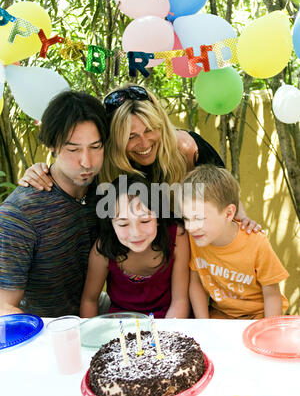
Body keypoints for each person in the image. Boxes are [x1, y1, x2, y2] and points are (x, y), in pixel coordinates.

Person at [18, 84, 261, 234]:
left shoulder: (186, 148)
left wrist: (242, 218)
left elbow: (225, 194)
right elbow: (70, 171)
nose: (144, 144)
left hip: (194, 262)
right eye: (131, 137)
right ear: (115, 139)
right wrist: (39, 170)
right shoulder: (103, 167)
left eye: (149, 130)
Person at [0, 90, 109, 317]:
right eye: (73, 149)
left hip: (96, 313)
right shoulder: (20, 213)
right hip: (46, 328)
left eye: (95, 147)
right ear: (52, 146)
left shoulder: (104, 190)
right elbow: (4, 309)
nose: (86, 161)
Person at [181, 164, 289, 319]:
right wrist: (203, 324)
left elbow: (272, 293)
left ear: (228, 213)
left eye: (198, 218)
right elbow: (196, 282)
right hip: (220, 315)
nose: (190, 227)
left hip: (258, 315)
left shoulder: (256, 243)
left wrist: (268, 331)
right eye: (186, 218)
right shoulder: (197, 237)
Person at [80, 173, 190, 318]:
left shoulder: (176, 237)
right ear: (111, 223)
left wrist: (166, 338)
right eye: (123, 224)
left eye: (144, 221)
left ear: (158, 217)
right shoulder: (104, 249)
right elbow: (89, 301)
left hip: (168, 321)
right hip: (121, 325)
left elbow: (180, 301)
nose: (135, 233)